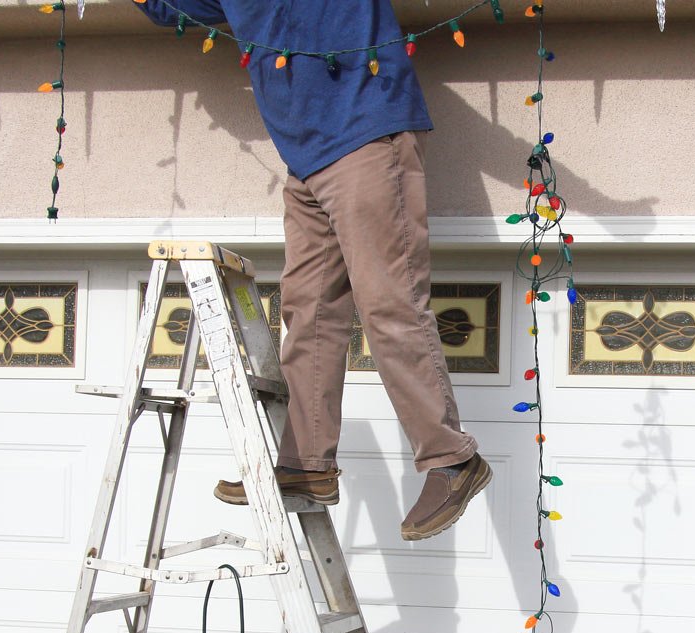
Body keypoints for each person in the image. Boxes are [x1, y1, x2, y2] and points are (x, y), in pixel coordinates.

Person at [133, 0, 490, 541]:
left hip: (367, 136)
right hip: (305, 164)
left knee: (388, 301)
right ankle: (307, 465)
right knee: (309, 313)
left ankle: (452, 458)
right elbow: (169, 8)